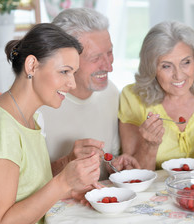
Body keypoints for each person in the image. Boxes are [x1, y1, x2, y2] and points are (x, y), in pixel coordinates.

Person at [0, 23, 101, 224]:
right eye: (64, 72)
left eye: (73, 73)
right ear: (32, 66)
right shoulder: (3, 128)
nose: (72, 83)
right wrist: (63, 183)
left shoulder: (31, 118)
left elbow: (25, 188)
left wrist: (69, 187)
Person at [118, 21, 194, 170]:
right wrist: (149, 146)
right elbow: (134, 175)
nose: (178, 75)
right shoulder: (132, 98)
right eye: (166, 66)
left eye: (186, 62)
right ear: (152, 68)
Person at [39, 8, 139, 180]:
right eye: (95, 58)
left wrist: (115, 165)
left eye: (110, 53)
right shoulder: (36, 104)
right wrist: (67, 162)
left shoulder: (111, 92)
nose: (109, 67)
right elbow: (22, 185)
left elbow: (110, 158)